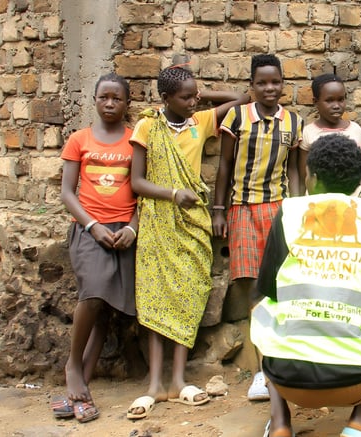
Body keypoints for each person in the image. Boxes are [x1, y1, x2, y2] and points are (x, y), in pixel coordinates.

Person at [251, 133, 361, 437]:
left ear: (310, 177)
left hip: (288, 377)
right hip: (357, 379)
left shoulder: (289, 212)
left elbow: (271, 289)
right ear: (357, 182)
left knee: (262, 307)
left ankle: (280, 422)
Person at [127, 65, 248, 420]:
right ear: (165, 99)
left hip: (192, 224)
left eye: (195, 94)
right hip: (159, 222)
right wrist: (172, 193)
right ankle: (154, 386)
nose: (194, 100)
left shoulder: (201, 121)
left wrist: (201, 97)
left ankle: (179, 381)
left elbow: (243, 99)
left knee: (188, 297)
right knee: (155, 298)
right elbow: (136, 181)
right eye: (185, 96)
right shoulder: (148, 126)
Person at [212, 54, 302, 402]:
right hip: (243, 210)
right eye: (262, 83)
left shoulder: (292, 122)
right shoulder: (237, 116)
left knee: (282, 285)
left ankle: (284, 361)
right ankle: (262, 370)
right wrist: (219, 210)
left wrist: (297, 206)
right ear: (251, 86)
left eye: (275, 82)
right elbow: (224, 165)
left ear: (282, 84)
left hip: (279, 209)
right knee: (255, 290)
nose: (269, 88)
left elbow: (294, 170)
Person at [57, 72, 137, 423]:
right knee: (91, 294)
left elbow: (142, 192)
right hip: (88, 231)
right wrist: (92, 226)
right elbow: (67, 193)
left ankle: (81, 389)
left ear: (126, 103)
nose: (109, 104)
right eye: (103, 97)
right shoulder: (79, 139)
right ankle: (73, 365)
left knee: (107, 307)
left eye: (116, 98)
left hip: (124, 233)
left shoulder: (136, 141)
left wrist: (133, 229)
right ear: (94, 99)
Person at [297, 73, 361, 197]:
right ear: (315, 102)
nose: (337, 106)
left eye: (341, 99)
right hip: (317, 205)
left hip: (352, 205)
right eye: (329, 100)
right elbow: (304, 176)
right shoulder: (308, 133)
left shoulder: (355, 130)